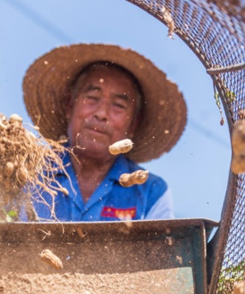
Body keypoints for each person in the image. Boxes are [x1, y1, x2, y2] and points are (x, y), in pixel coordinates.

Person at [22, 43, 187, 221]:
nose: (101, 114)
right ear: (69, 106)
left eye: (118, 105)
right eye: (92, 98)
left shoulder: (152, 194)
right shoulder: (26, 174)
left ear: (133, 124)